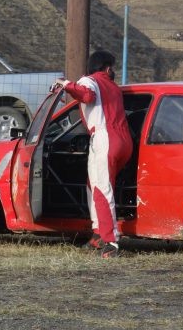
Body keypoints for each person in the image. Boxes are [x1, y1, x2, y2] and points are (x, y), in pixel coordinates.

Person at [53, 50, 132, 258]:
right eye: (112, 67)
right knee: (94, 185)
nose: (113, 71)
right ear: (107, 68)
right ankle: (98, 233)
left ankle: (111, 242)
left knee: (101, 190)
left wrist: (66, 84)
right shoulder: (114, 87)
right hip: (123, 140)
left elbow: (87, 95)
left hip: (105, 138)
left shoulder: (89, 80)